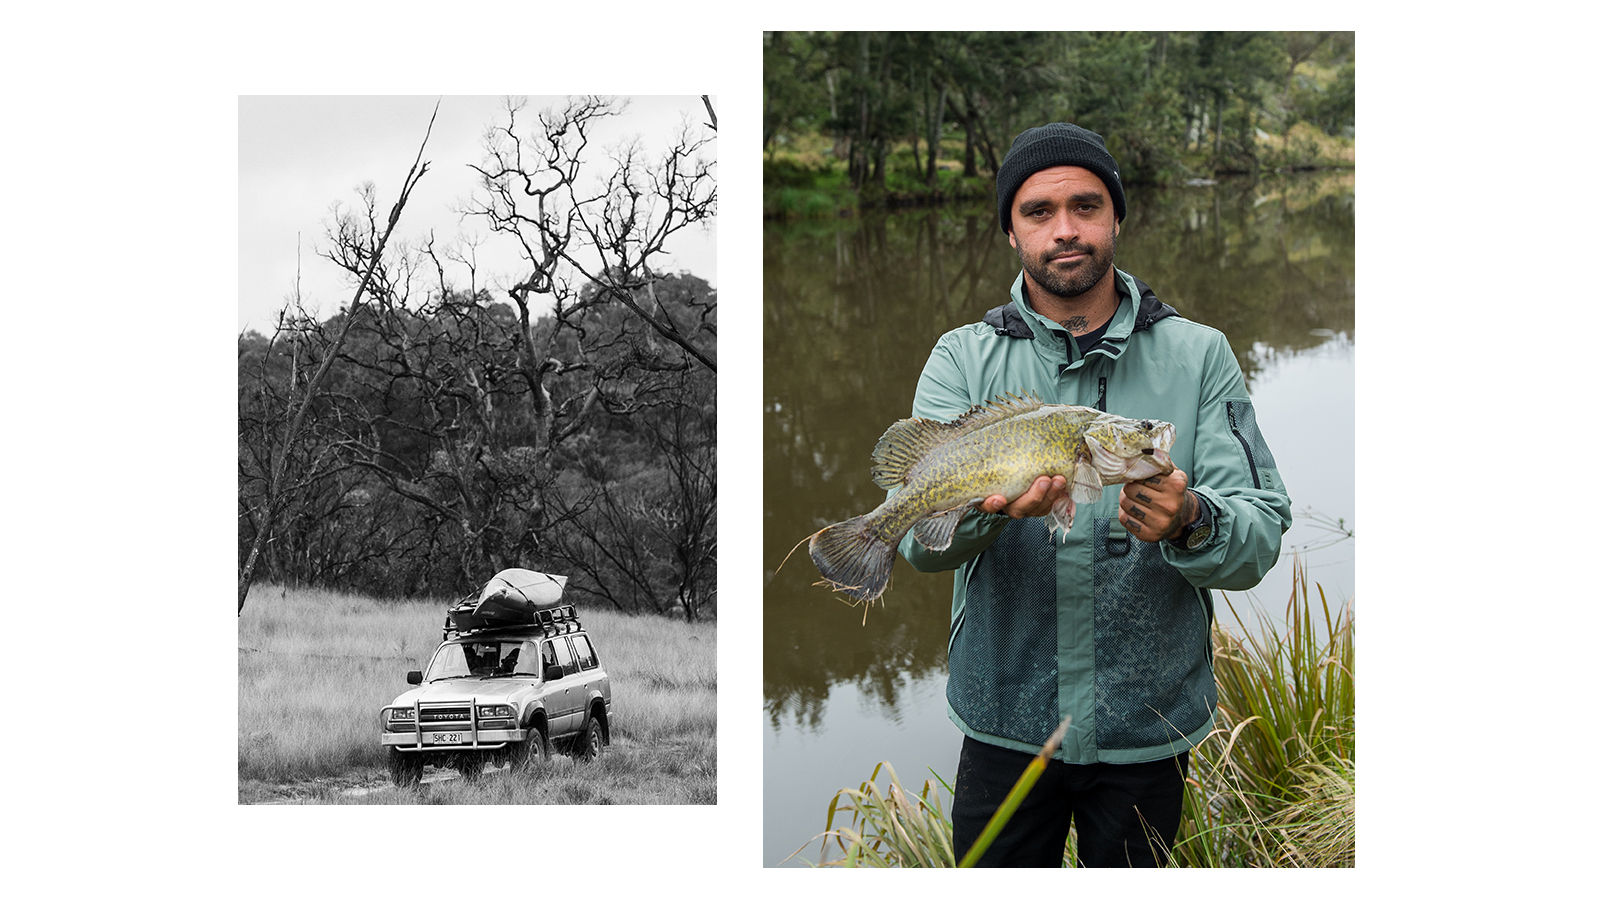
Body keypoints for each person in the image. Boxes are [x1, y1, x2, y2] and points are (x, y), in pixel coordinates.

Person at [896, 122, 1292, 867]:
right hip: (1004, 720)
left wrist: (1193, 519)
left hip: (1147, 725)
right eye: (1038, 212)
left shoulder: (1199, 355)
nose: (1066, 229)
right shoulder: (961, 358)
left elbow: (1262, 530)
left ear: (1116, 217)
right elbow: (921, 545)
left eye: (1086, 205)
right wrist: (985, 516)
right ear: (1012, 233)